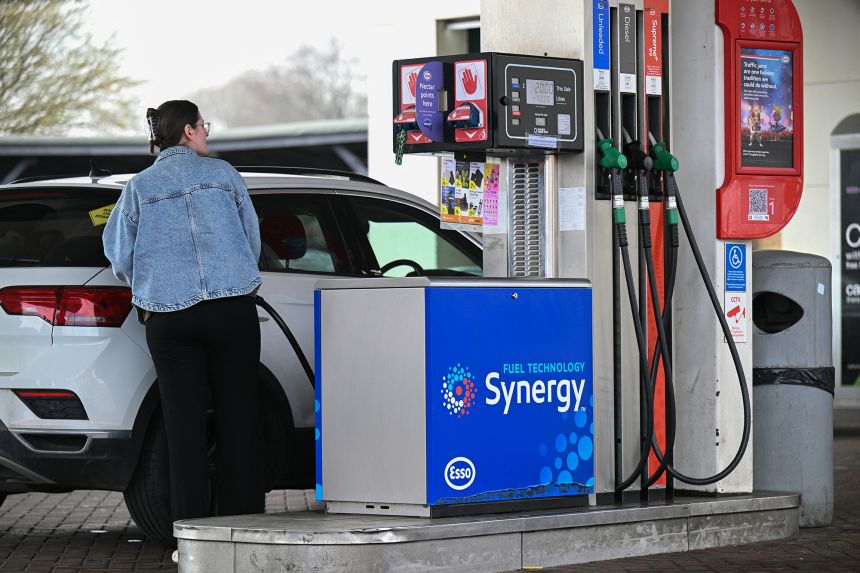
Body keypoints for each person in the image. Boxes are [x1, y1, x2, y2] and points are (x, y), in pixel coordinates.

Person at [103, 100, 265, 529]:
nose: (206, 133)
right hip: (232, 311)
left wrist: (151, 283)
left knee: (183, 429)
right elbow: (252, 239)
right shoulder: (224, 176)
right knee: (240, 419)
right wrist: (237, 276)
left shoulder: (139, 187)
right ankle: (242, 527)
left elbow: (119, 255)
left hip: (169, 319)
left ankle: (191, 536)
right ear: (190, 131)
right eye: (203, 126)